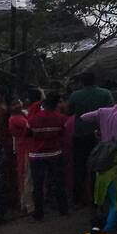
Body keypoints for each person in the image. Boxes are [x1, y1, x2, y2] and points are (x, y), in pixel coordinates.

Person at [66, 72, 113, 205]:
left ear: (81, 82)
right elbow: (111, 111)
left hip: (80, 135)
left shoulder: (75, 95)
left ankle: (77, 199)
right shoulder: (105, 94)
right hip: (99, 135)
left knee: (79, 167)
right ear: (95, 80)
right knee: (99, 167)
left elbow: (69, 112)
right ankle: (96, 198)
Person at [26, 91, 69, 221]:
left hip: (37, 155)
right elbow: (62, 134)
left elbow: (27, 134)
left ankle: (39, 213)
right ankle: (63, 209)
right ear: (56, 104)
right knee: (59, 182)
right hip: (55, 154)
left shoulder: (33, 119)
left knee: (38, 185)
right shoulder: (61, 118)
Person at [8, 94, 33, 214]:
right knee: (26, 176)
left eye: (18, 102)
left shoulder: (19, 116)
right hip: (24, 148)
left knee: (24, 176)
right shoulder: (16, 118)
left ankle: (25, 203)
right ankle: (28, 204)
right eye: (14, 104)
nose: (18, 105)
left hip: (22, 147)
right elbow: (30, 127)